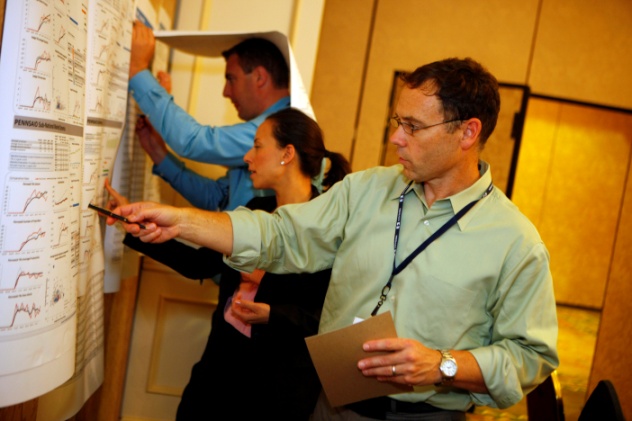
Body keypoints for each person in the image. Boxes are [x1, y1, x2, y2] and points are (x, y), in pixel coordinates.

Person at [111, 58, 559, 420]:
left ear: (468, 132)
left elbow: (530, 357)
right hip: (330, 403)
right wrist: (183, 222)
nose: (395, 138)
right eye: (395, 121)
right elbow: (282, 233)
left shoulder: (515, 242)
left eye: (413, 127)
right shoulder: (369, 189)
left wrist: (442, 364)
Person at [107, 108, 351, 420]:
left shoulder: (328, 226)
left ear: (287, 154)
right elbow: (199, 264)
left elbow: (333, 318)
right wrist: (133, 223)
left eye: (258, 146)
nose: (248, 157)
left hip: (278, 389)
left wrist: (273, 316)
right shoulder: (255, 208)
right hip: (219, 369)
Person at [129, 20, 292, 210]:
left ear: (259, 77)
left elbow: (192, 141)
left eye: (231, 79)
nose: (226, 92)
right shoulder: (275, 126)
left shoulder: (280, 132)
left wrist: (138, 71)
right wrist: (159, 154)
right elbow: (219, 199)